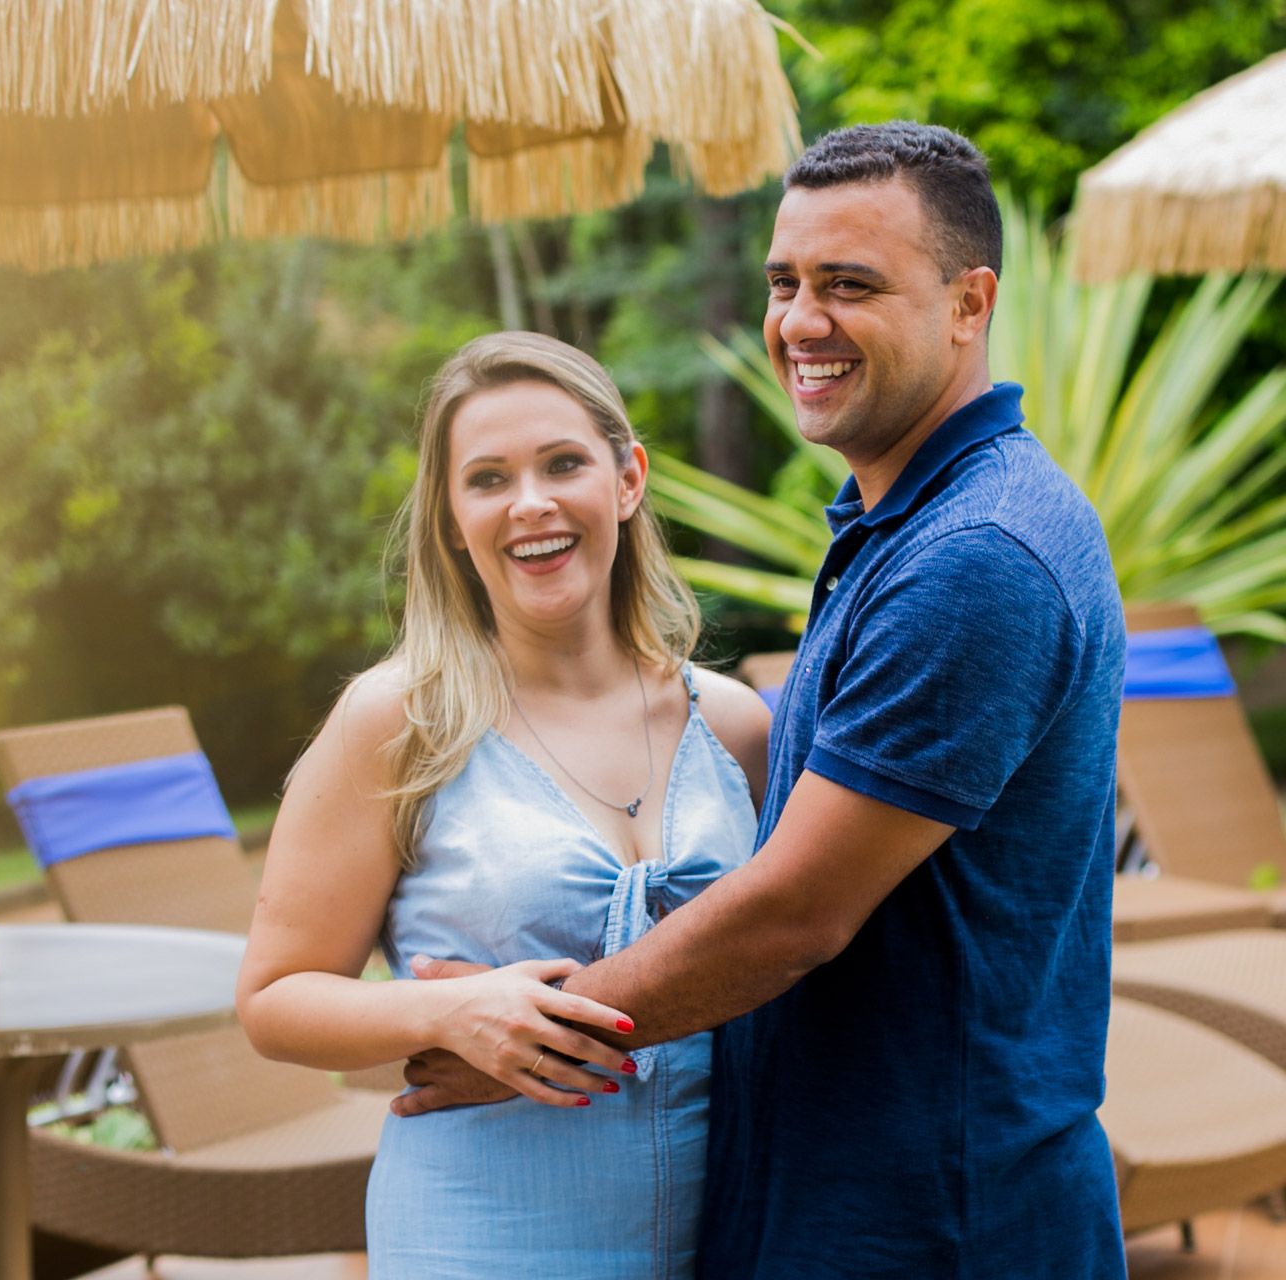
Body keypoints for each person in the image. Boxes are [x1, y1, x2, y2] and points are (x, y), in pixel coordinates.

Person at [399, 123, 1129, 1277]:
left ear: (967, 302)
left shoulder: (976, 554)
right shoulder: (909, 526)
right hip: (857, 1196)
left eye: (851, 284)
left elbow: (795, 912)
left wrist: (526, 1038)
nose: (799, 321)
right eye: (785, 282)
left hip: (938, 1218)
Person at [235, 330, 772, 1277]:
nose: (532, 504)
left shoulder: (734, 727)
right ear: (449, 517)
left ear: (628, 480)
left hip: (727, 1226)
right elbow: (275, 1000)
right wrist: (445, 1016)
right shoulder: (399, 720)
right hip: (483, 1235)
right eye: (487, 479)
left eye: (564, 463)